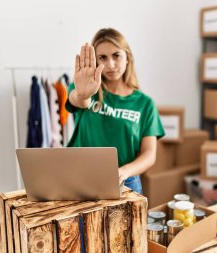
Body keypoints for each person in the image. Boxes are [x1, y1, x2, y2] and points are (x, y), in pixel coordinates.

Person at [66, 28, 165, 194]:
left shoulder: (145, 103)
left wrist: (124, 171)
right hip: (81, 178)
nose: (110, 64)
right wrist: (82, 94)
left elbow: (149, 155)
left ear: (127, 58)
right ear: (96, 61)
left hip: (125, 181)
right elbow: (80, 101)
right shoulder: (85, 89)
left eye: (116, 55)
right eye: (103, 58)